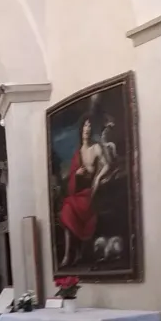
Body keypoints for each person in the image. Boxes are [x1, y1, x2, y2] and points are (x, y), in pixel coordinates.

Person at [58, 111, 110, 267]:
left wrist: (98, 177)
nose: (87, 129)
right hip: (79, 194)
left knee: (69, 207)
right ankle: (68, 254)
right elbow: (72, 179)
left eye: (89, 126)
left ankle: (75, 253)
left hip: (90, 192)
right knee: (66, 209)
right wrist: (76, 174)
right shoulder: (77, 153)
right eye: (85, 126)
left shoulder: (96, 148)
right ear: (81, 130)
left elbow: (107, 165)